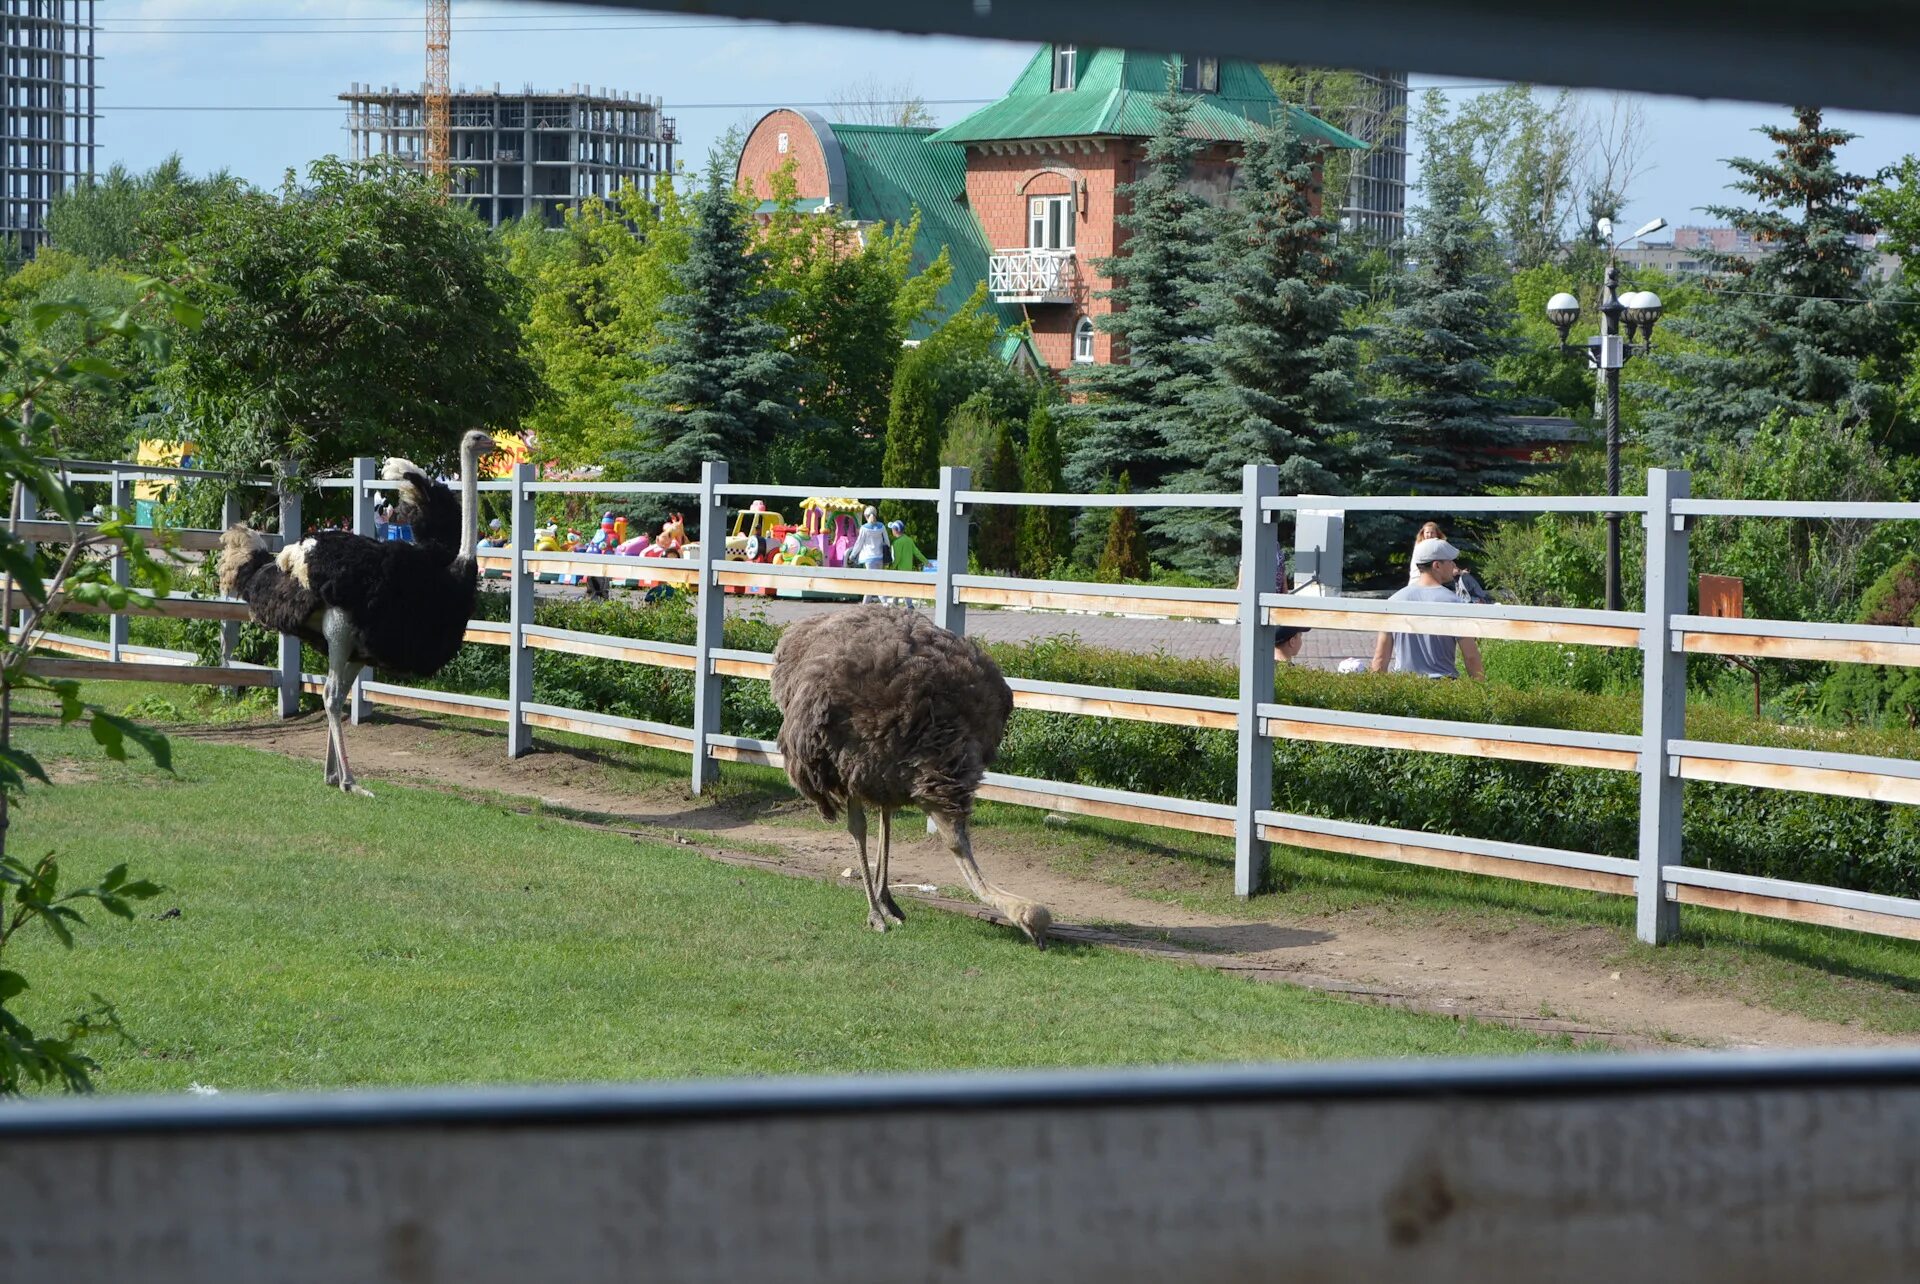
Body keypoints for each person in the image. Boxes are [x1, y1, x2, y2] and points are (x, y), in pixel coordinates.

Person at [1370, 537, 1485, 680]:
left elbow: (1380, 658)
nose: (1454, 565)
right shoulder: (1455, 604)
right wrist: (1482, 691)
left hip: (1404, 686)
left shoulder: (1394, 601)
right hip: (1443, 688)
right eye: (1450, 561)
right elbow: (1471, 657)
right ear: (1437, 565)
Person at [1408, 520, 1493, 604]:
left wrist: (1458, 571)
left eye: (1432, 532)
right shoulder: (1427, 548)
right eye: (1427, 532)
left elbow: (1446, 563)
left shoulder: (1425, 546)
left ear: (1437, 533)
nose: (1429, 535)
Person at [847, 505, 891, 602]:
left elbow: (859, 543)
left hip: (868, 559)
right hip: (880, 557)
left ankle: (882, 602)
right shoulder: (882, 526)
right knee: (877, 581)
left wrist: (852, 555)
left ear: (866, 516)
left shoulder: (864, 528)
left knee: (870, 582)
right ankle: (875, 603)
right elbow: (887, 542)